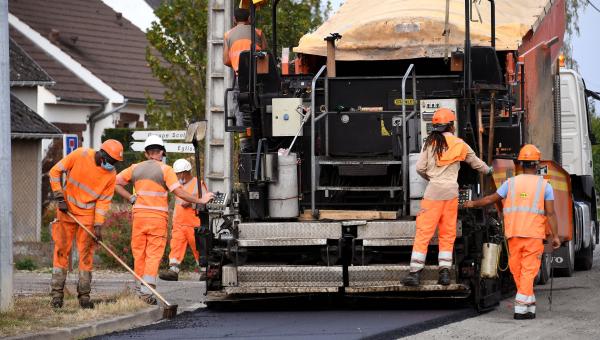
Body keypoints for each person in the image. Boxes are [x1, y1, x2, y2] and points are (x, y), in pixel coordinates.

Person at [463, 144, 561, 320]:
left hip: (514, 234)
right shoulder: (545, 186)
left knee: (521, 271)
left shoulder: (510, 183)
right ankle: (524, 306)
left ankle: (525, 307)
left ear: (520, 164)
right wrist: (555, 236)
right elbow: (551, 213)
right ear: (537, 164)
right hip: (533, 235)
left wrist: (472, 203)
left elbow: (491, 199)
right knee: (525, 272)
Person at [114, 135, 214, 304]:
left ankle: (139, 289)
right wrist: (200, 200)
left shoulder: (135, 168)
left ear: (146, 153)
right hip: (157, 219)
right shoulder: (165, 170)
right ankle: (147, 292)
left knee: (139, 253)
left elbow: (115, 183)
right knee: (153, 255)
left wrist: (131, 198)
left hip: (139, 218)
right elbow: (179, 192)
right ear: (162, 152)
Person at [402, 108, 492, 287]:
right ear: (451, 125)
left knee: (424, 232)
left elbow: (420, 168)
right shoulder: (460, 144)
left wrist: (432, 178)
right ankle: (444, 273)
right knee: (447, 233)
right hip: (451, 193)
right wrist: (490, 170)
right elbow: (477, 164)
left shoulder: (430, 143)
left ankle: (415, 273)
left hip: (433, 192)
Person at [48, 139, 124, 309]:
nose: (112, 165)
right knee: (61, 251)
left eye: (115, 162)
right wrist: (60, 197)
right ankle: (57, 295)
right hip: (66, 210)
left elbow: (103, 202)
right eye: (111, 161)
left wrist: (98, 225)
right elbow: (54, 172)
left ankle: (84, 296)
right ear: (102, 154)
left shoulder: (111, 175)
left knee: (86, 254)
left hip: (87, 216)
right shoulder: (80, 154)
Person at [224, 7, 268, 152]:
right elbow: (267, 55)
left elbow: (225, 60)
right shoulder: (258, 32)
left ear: (234, 20)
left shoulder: (228, 35)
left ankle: (245, 145)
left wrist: (238, 62)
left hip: (241, 79)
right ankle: (263, 135)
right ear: (249, 19)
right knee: (261, 104)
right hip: (260, 79)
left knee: (238, 105)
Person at [159, 159, 208, 282]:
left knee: (199, 248)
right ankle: (173, 271)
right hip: (179, 223)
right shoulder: (176, 185)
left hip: (193, 223)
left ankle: (205, 271)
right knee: (175, 246)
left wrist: (191, 202)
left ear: (186, 172)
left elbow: (206, 203)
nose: (177, 176)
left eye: (179, 173)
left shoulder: (198, 184)